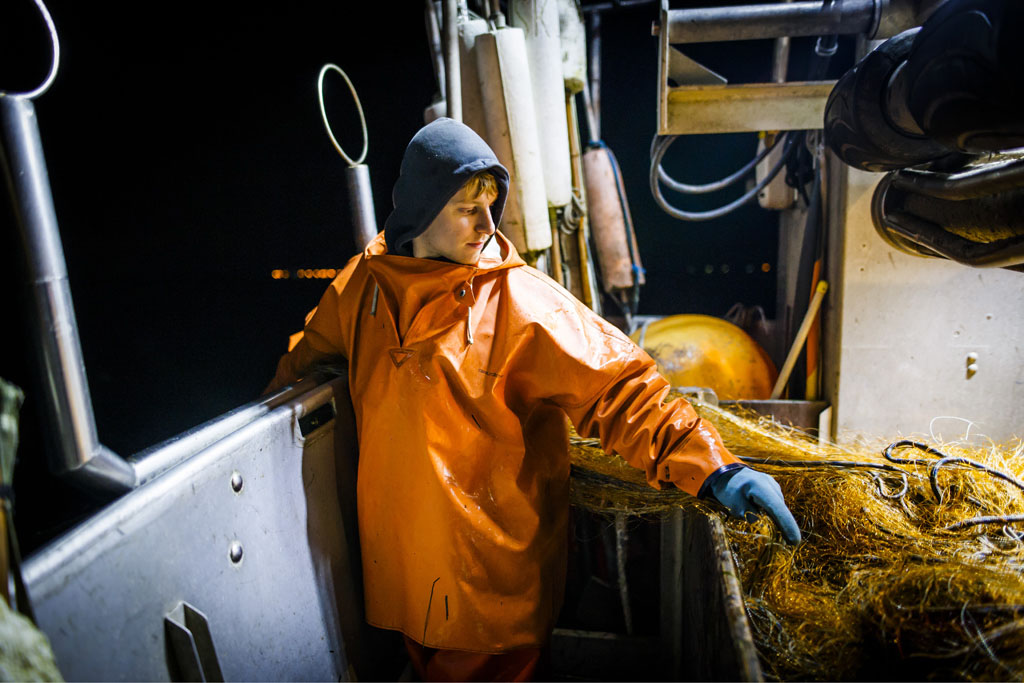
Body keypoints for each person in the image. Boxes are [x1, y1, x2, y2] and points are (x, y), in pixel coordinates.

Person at [265, 117, 800, 681]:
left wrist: (716, 468)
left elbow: (620, 389)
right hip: (401, 571)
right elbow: (304, 362)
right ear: (421, 211)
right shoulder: (362, 288)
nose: (487, 224)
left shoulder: (523, 303)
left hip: (491, 577)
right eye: (467, 208)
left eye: (492, 204)